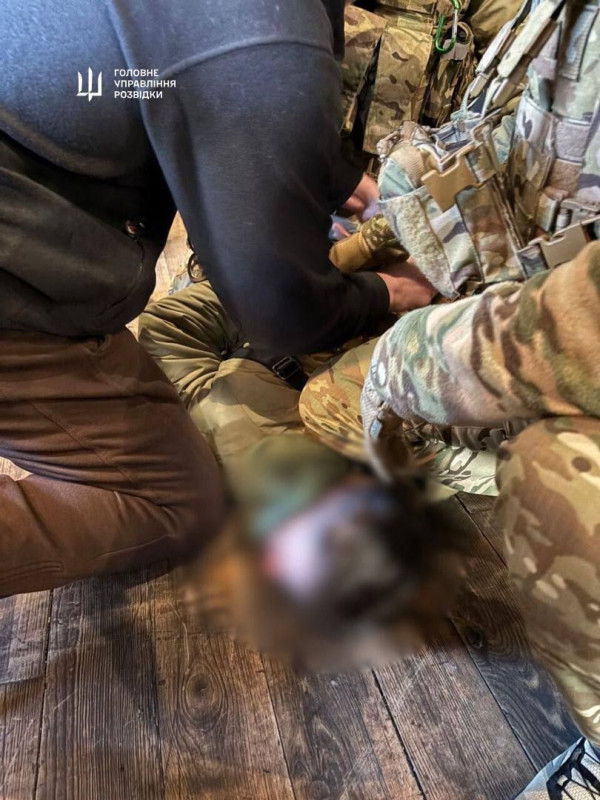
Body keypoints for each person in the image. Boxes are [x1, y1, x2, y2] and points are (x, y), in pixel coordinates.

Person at [0, 0, 423, 596]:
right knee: (178, 504)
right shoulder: (259, 27)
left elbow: (169, 85)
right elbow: (279, 311)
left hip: (38, 236)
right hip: (21, 292)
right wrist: (391, 292)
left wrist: (341, 181)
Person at [299, 0, 600, 793]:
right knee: (333, 403)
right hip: (515, 308)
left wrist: (417, 345)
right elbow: (491, 143)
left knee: (556, 481)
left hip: (539, 342)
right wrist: (367, 246)